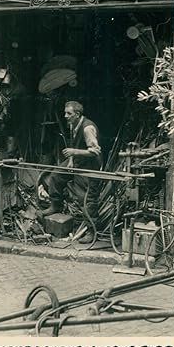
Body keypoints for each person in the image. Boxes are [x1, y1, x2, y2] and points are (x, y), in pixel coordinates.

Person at [41, 101, 102, 244]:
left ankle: (91, 231)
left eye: (69, 113)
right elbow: (74, 145)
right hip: (77, 161)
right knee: (56, 176)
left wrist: (74, 152)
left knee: (86, 197)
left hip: (90, 165)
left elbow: (95, 151)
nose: (65, 116)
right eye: (65, 113)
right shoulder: (73, 124)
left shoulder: (88, 128)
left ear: (77, 114)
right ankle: (56, 204)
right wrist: (70, 161)